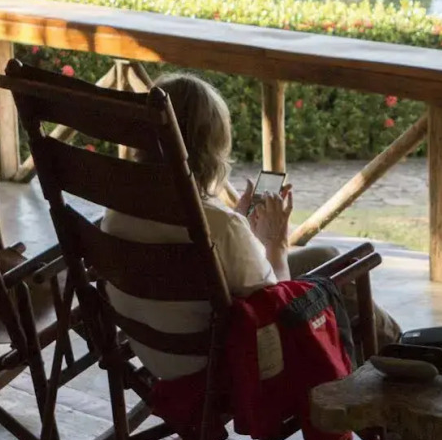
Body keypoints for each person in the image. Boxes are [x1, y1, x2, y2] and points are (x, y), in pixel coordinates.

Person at [101, 72, 399, 379]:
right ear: (210, 147)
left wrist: (241, 228)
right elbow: (281, 310)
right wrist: (276, 243)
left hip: (159, 355)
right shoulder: (218, 225)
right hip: (227, 366)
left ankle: (397, 360)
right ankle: (403, 364)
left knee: (325, 257)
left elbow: (221, 267)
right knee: (347, 271)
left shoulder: (115, 213)